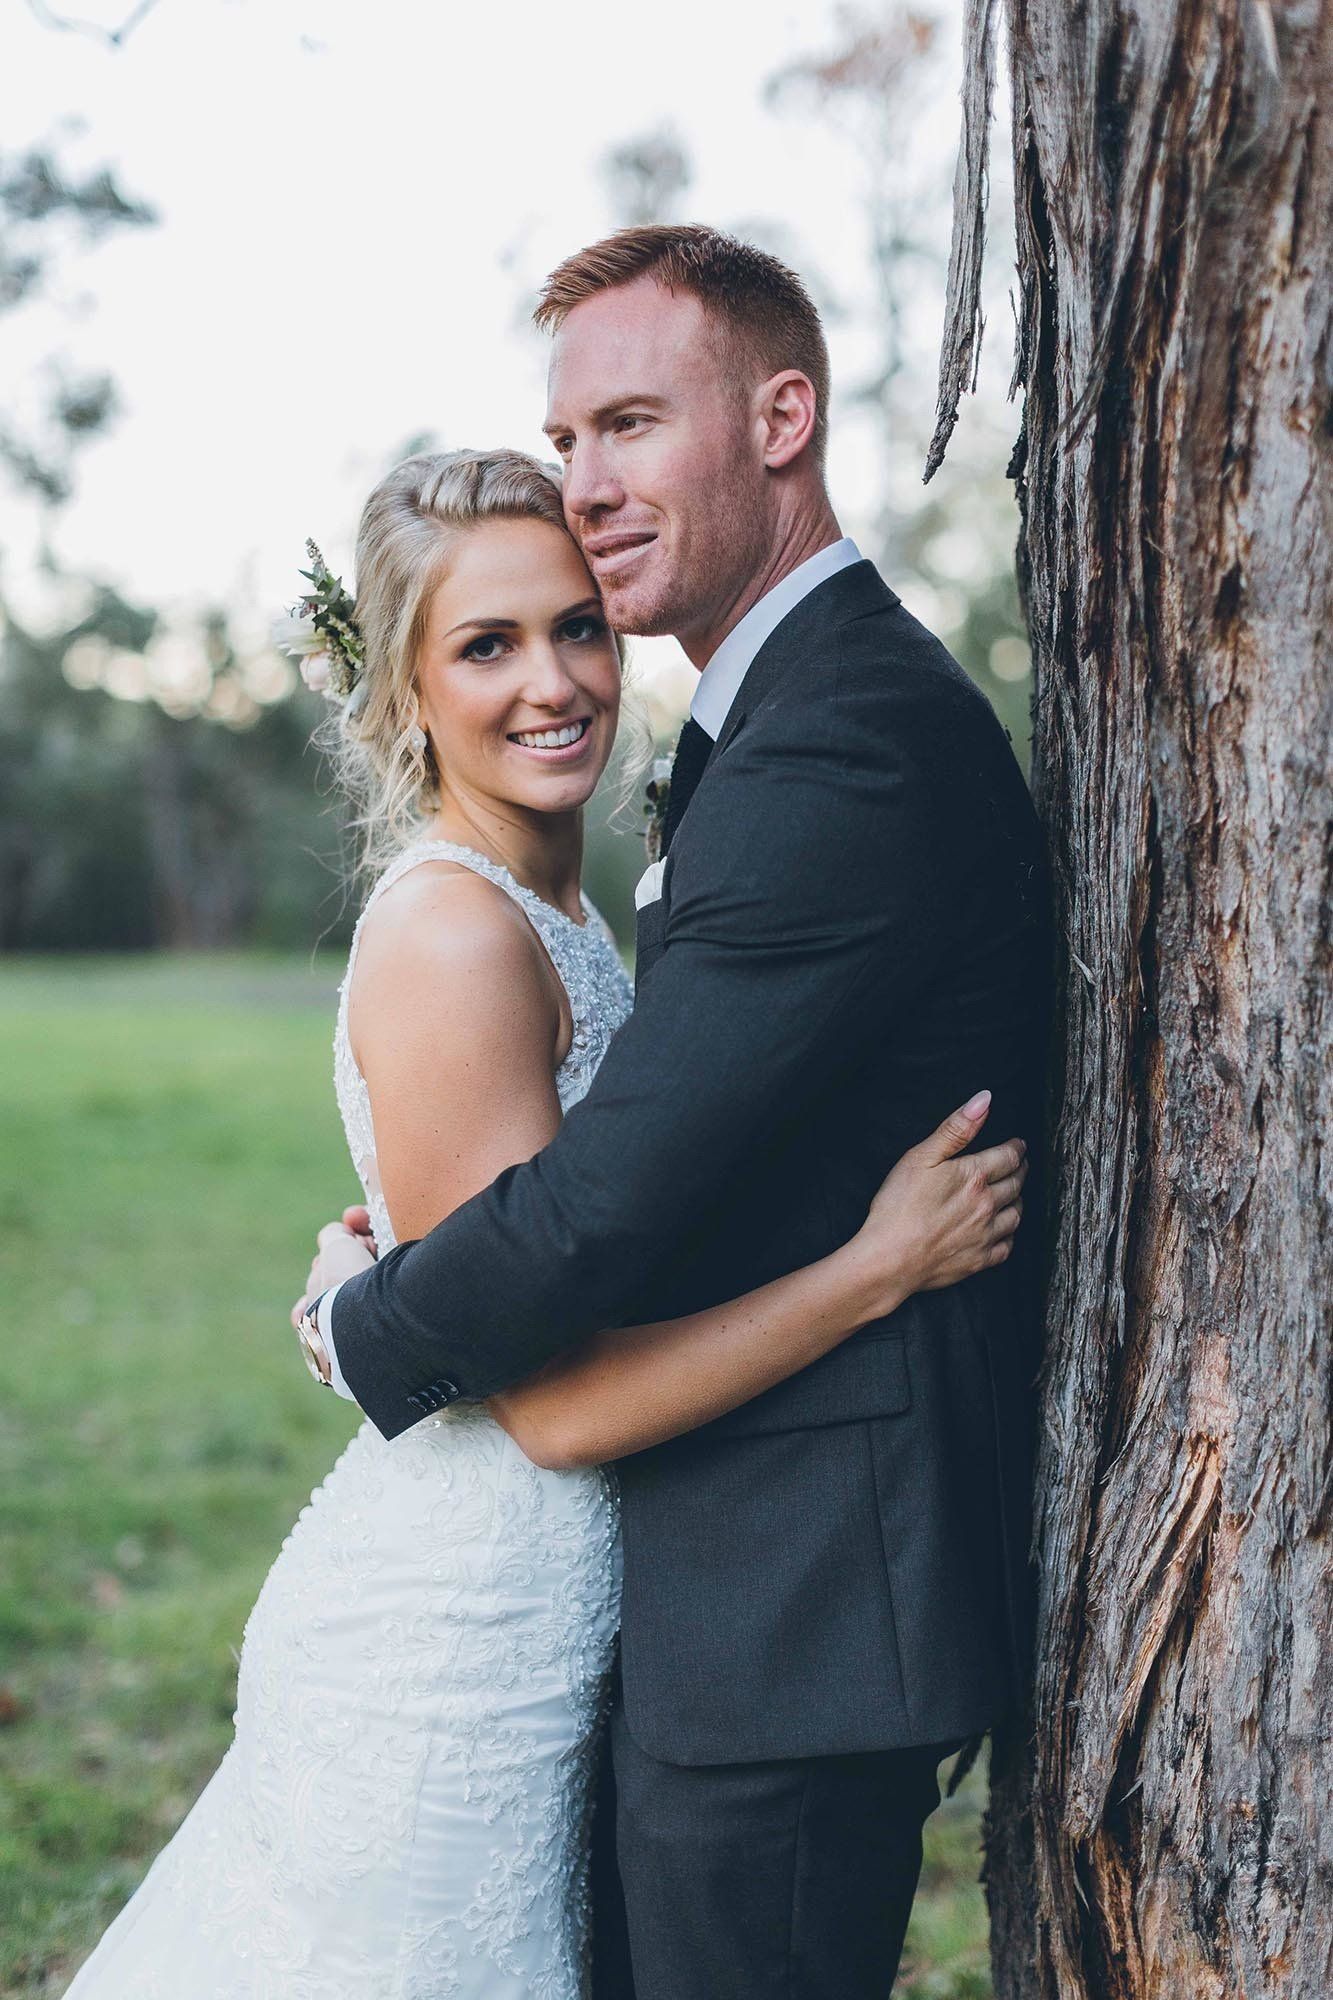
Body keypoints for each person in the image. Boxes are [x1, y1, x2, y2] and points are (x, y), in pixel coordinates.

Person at [62, 444, 1027, 2000]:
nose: (552, 681)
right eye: (486, 645)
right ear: (404, 688)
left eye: (576, 626)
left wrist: (364, 1287)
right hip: (453, 1647)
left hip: (568, 1619)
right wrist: (875, 1270)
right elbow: (560, 1411)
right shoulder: (453, 934)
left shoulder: (559, 906)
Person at [299, 227, 1051, 2000]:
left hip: (800, 1595)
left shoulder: (835, 733)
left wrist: (366, 1322)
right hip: (728, 1575)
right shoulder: (769, 718)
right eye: (570, 440)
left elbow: (602, 1205)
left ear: (780, 419)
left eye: (630, 423)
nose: (589, 480)